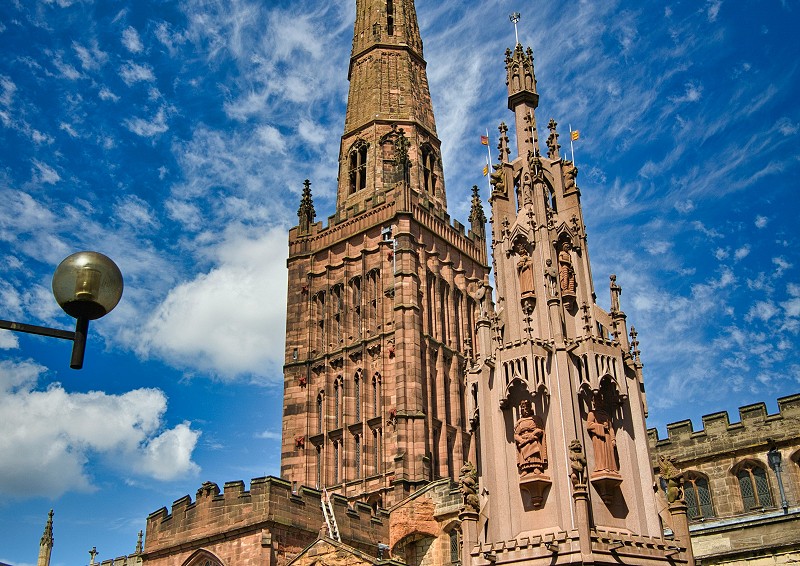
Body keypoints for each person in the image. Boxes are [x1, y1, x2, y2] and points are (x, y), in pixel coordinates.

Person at [514, 399, 547, 475]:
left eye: (527, 407)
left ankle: (536, 467)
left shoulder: (535, 419)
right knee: (524, 455)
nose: (525, 410)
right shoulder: (520, 422)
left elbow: (540, 429)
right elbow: (516, 434)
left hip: (533, 440)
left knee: (534, 453)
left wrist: (533, 435)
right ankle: (525, 468)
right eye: (523, 408)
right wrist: (520, 440)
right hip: (523, 441)